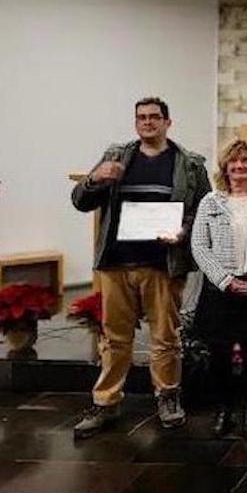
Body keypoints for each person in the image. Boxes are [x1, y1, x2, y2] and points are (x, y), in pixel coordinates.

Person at [70, 96, 211, 438]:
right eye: (141, 118)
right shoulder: (116, 157)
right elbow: (79, 201)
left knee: (165, 338)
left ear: (168, 122)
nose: (147, 122)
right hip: (117, 263)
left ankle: (167, 397)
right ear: (136, 123)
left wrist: (183, 231)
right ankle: (106, 402)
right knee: (114, 338)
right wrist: (95, 179)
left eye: (154, 117)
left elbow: (205, 210)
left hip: (161, 264)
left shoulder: (189, 164)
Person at [190, 139, 247, 438]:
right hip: (221, 289)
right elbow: (200, 246)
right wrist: (226, 281)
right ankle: (224, 409)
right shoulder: (210, 202)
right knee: (219, 353)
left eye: (246, 161)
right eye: (234, 162)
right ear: (225, 167)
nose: (240, 167)